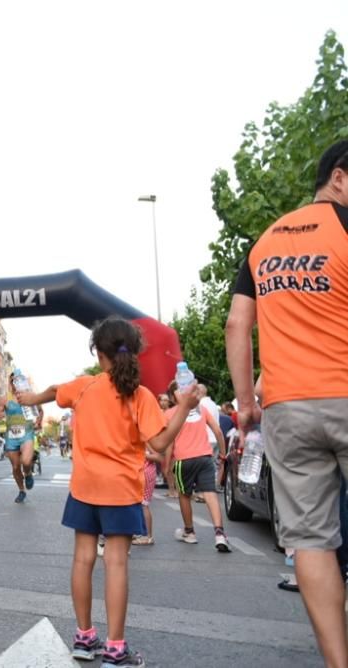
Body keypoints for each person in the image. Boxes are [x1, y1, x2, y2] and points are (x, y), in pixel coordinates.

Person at [225, 139, 348, 667]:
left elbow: (236, 324)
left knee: (312, 541)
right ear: (340, 178)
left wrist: (246, 402)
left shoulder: (264, 242)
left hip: (287, 408)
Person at [15, 316, 199, 666]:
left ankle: (84, 638)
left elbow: (56, 390)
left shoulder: (85, 386)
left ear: (99, 355)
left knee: (83, 560)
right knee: (115, 564)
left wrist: (32, 396)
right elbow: (159, 442)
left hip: (84, 488)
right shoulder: (140, 395)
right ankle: (115, 648)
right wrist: (185, 409)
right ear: (135, 354)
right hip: (121, 490)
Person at [162, 379, 230, 551]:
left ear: (172, 397)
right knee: (210, 494)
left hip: (183, 460)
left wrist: (166, 463)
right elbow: (217, 431)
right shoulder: (202, 410)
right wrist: (222, 454)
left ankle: (189, 532)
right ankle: (220, 534)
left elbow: (168, 442)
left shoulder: (170, 414)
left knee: (184, 495)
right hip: (205, 458)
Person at [0, 373, 42, 503]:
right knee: (16, 467)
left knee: (26, 461)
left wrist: (39, 421)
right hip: (11, 436)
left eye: (19, 380)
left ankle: (27, 474)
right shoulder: (5, 399)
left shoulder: (30, 397)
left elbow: (40, 410)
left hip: (27, 433)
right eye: (13, 381)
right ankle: (22, 491)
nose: (16, 383)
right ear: (10, 383)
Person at [131, 445, 161, 546]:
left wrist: (141, 455)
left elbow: (158, 457)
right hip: (138, 472)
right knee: (136, 503)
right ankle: (140, 533)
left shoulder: (147, 439)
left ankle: (147, 536)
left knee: (143, 504)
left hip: (145, 472)